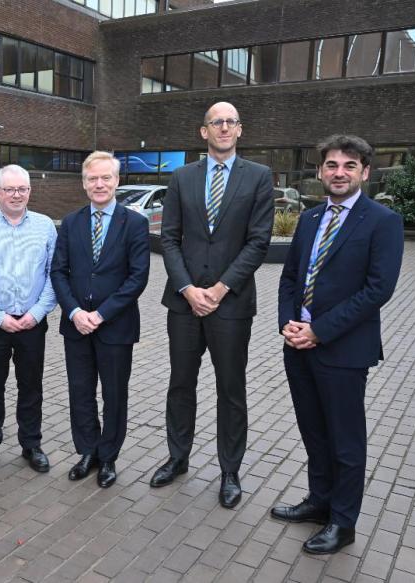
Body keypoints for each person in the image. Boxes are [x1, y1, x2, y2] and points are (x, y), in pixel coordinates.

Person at [273, 135, 403, 554]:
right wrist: (288, 324)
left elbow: (377, 290)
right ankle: (319, 502)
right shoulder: (310, 218)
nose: (340, 172)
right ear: (320, 171)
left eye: (349, 165)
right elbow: (291, 277)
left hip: (343, 351)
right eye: (332, 165)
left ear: (365, 172)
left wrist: (320, 331)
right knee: (314, 432)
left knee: (345, 441)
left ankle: (343, 523)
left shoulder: (382, 221)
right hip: (298, 346)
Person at [153, 101, 274, 510]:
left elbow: (258, 242)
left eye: (230, 122)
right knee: (180, 384)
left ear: (240, 129)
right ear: (203, 132)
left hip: (231, 305)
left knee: (231, 389)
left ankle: (230, 471)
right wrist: (188, 289)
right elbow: (169, 238)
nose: (223, 127)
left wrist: (220, 289)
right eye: (215, 122)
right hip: (184, 304)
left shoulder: (258, 177)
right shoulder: (182, 177)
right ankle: (177, 458)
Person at [50, 151, 150, 488]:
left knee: (114, 394)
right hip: (76, 325)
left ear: (117, 181)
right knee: (80, 392)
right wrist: (75, 312)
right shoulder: (71, 222)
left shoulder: (134, 223)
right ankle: (87, 451)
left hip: (116, 327)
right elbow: (58, 272)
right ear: (84, 183)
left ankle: (108, 457)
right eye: (92, 178)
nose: (99, 184)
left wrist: (101, 314)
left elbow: (137, 278)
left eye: (106, 177)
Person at [0, 165, 57, 474]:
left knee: (31, 385)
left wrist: (36, 313)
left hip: (32, 323)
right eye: (10, 189)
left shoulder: (46, 227)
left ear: (29, 191)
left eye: (22, 189)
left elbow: (54, 275)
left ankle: (31, 444)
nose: (16, 195)